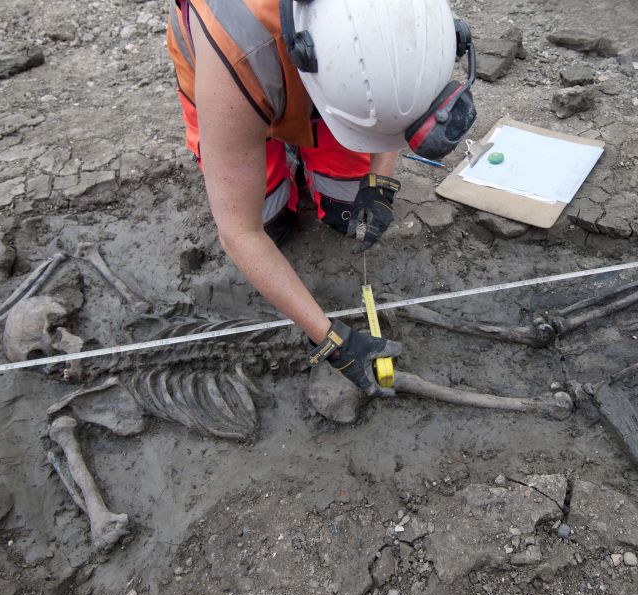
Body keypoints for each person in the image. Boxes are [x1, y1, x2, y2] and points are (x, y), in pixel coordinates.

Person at [166, 0, 476, 397]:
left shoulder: (411, 24)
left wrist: (379, 185)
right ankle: (280, 142)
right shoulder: (237, 51)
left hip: (333, 87)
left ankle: (310, 141)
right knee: (267, 223)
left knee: (347, 209)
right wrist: (329, 338)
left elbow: (395, 110)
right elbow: (239, 232)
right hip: (237, 79)